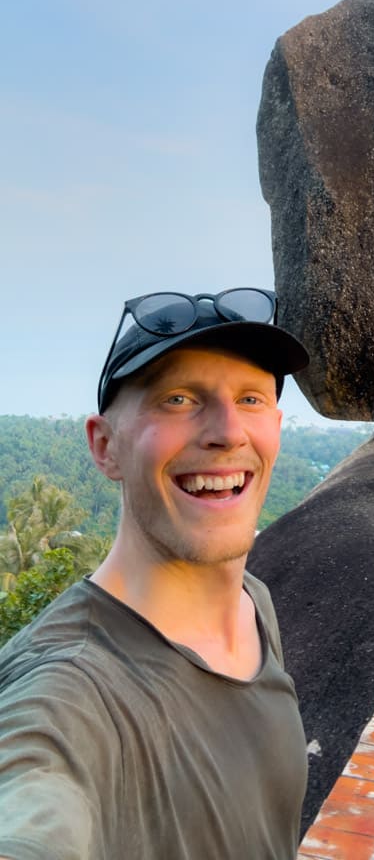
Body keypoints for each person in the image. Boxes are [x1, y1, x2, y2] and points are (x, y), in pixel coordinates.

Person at [0, 288, 310, 859]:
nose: (227, 431)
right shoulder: (69, 693)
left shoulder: (252, 604)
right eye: (177, 399)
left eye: (250, 399)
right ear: (105, 446)